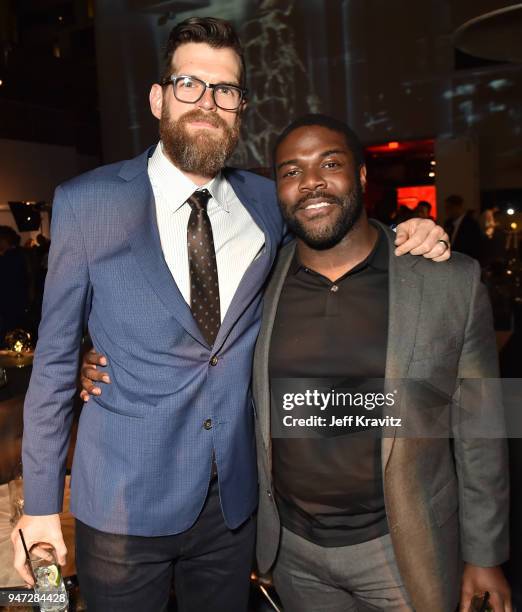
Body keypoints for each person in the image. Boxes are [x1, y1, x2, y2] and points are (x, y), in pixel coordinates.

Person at [14, 17, 450, 612]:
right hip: (121, 502)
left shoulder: (264, 201)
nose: (208, 103)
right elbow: (56, 360)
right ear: (158, 98)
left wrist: (410, 235)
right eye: (190, 84)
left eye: (226, 90)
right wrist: (39, 507)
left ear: (240, 108)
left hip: (234, 503)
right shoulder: (88, 202)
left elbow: (332, 227)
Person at [81, 115, 510, 612]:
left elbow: (485, 424)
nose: (311, 182)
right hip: (293, 554)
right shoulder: (258, 280)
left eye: (330, 163)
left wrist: (485, 554)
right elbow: (190, 347)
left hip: (401, 547)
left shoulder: (446, 281)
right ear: (278, 190)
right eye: (290, 171)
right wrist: (90, 362)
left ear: (363, 176)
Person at [444, 194, 484, 261]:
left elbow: (475, 247)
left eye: (449, 207)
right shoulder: (448, 223)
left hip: (466, 260)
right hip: (451, 261)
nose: (446, 210)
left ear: (457, 207)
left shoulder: (471, 224)